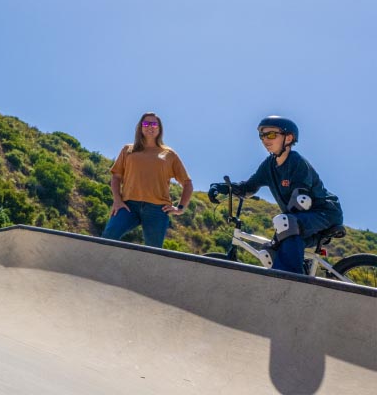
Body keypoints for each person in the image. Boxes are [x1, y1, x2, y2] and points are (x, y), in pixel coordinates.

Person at [209, 116, 343, 275]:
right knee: (268, 254)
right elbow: (248, 187)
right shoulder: (268, 166)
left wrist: (280, 233)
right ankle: (298, 275)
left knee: (284, 223)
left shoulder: (297, 162)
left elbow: (302, 200)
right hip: (300, 220)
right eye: (262, 136)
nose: (265, 140)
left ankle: (291, 280)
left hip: (325, 213)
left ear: (289, 138)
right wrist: (224, 188)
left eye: (271, 135)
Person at [102, 112, 193, 247]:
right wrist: (117, 200)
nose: (150, 126)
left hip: (157, 210)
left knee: (153, 252)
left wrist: (180, 208)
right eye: (146, 123)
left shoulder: (169, 154)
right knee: (107, 237)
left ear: (159, 128)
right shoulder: (128, 149)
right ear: (140, 127)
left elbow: (187, 183)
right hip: (128, 205)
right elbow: (116, 177)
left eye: (154, 124)